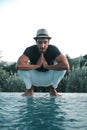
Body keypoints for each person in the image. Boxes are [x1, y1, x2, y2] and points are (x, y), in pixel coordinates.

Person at [16, 28, 70, 96]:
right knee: (21, 69)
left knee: (63, 69)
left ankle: (53, 89)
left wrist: (47, 66)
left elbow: (66, 66)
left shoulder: (53, 49)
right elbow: (18, 65)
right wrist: (37, 66)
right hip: (34, 77)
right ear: (36, 42)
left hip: (49, 78)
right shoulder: (30, 49)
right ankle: (29, 89)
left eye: (45, 42)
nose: (42, 46)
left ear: (48, 42)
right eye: (40, 42)